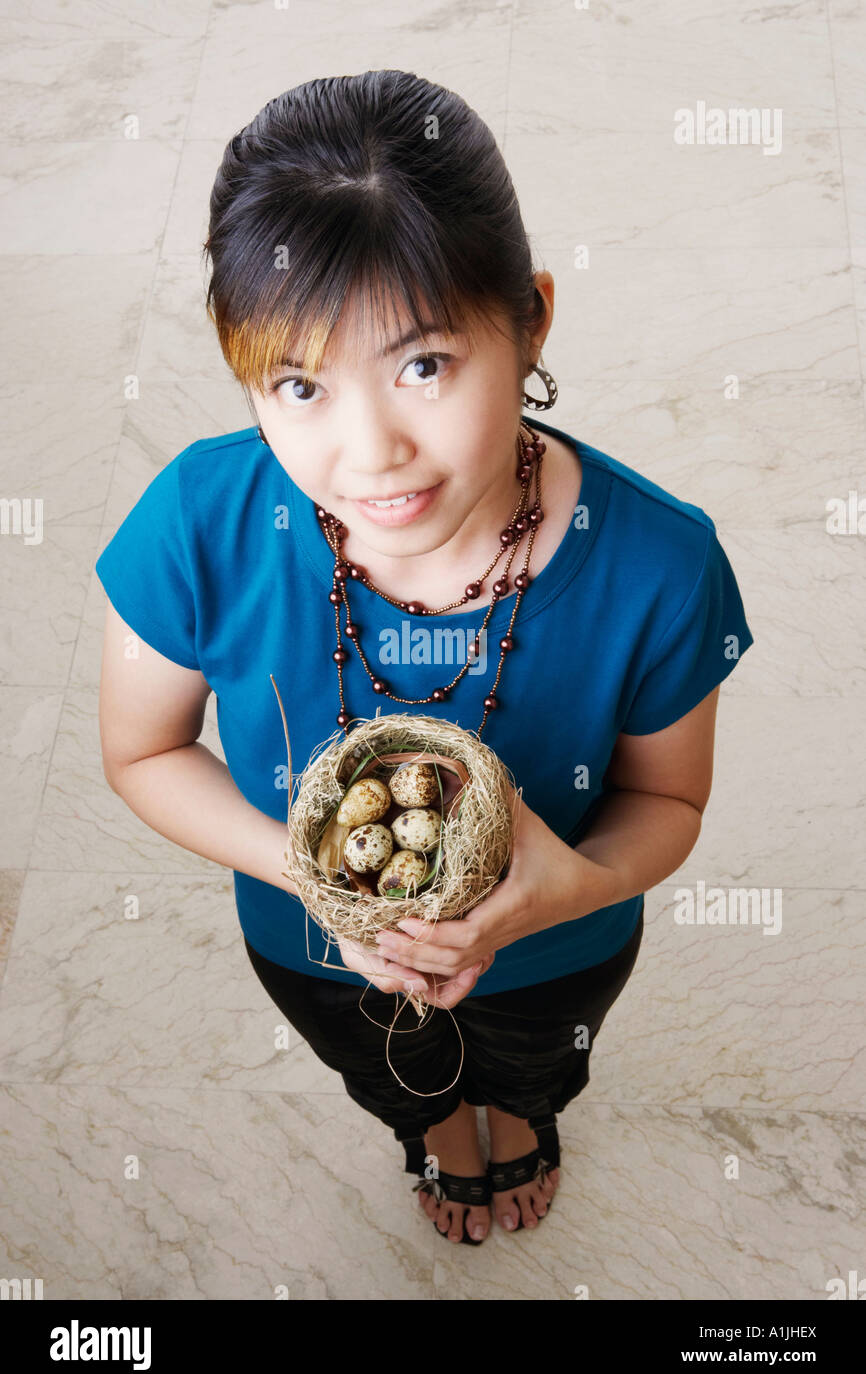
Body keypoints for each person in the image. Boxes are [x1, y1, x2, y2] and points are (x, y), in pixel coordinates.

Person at [96, 71, 755, 1247]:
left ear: (532, 320)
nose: (368, 454)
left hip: (560, 948)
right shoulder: (198, 519)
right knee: (389, 1067)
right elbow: (143, 750)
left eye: (423, 365)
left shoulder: (657, 563)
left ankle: (518, 1115)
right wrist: (305, 874)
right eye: (297, 385)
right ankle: (437, 1132)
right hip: (309, 945)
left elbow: (668, 796)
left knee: (531, 1063)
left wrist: (573, 887)